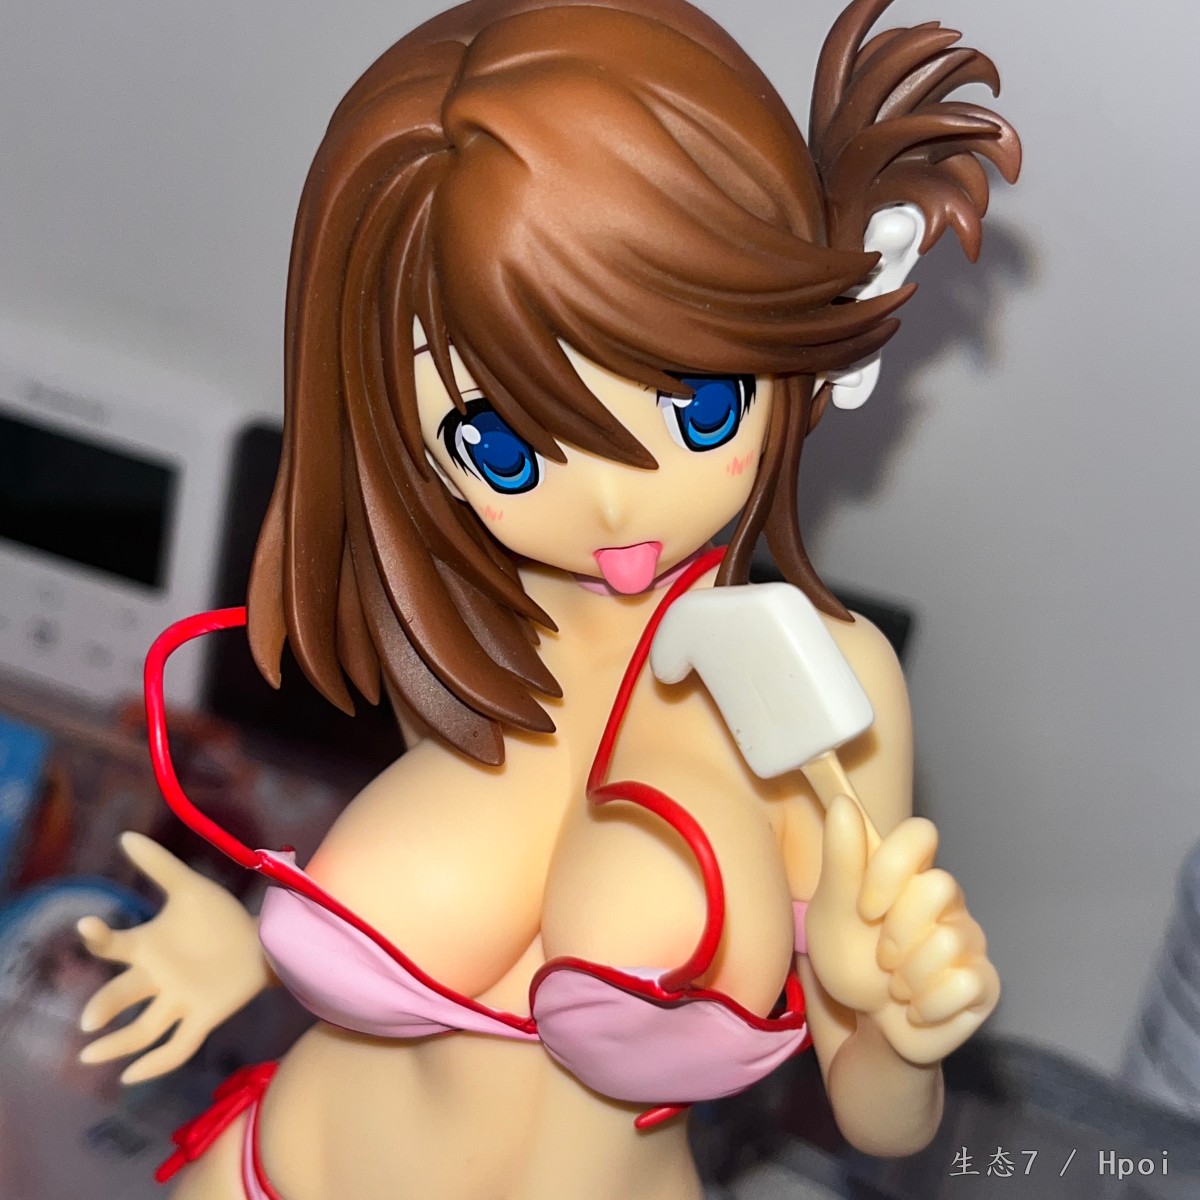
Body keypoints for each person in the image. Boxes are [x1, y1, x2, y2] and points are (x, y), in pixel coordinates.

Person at [76, 0, 1021, 1196]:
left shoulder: (835, 688)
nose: (614, 504)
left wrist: (895, 1029)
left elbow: (880, 1122)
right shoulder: (464, 606)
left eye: (699, 407)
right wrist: (254, 954)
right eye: (501, 446)